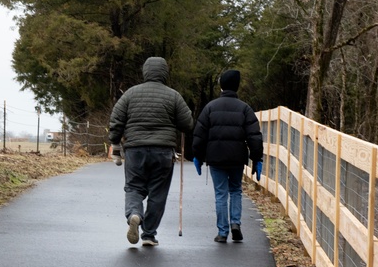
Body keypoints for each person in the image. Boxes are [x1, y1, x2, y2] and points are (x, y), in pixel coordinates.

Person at [109, 56, 194, 247]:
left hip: (135, 149)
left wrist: (115, 142)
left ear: (145, 72)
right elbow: (187, 124)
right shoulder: (173, 95)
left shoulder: (130, 94)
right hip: (163, 151)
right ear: (165, 73)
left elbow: (116, 120)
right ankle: (148, 234)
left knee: (134, 187)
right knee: (158, 192)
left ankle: (135, 214)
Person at [191, 69, 264, 243]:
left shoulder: (210, 107)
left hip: (216, 157)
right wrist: (257, 158)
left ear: (221, 86)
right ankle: (236, 224)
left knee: (221, 194)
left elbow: (200, 134)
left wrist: (198, 156)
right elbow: (254, 136)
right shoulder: (245, 109)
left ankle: (222, 232)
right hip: (237, 158)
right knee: (236, 190)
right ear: (237, 86)